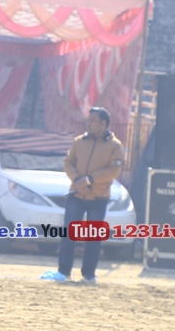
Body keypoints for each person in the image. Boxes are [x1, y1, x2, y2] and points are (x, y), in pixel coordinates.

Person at [40, 107, 124, 284]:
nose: (88, 123)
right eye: (88, 120)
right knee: (69, 233)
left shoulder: (115, 146)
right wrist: (78, 181)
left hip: (99, 197)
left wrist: (89, 180)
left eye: (92, 120)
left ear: (103, 123)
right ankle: (63, 271)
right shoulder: (79, 141)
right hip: (76, 195)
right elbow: (68, 162)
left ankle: (89, 274)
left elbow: (113, 170)